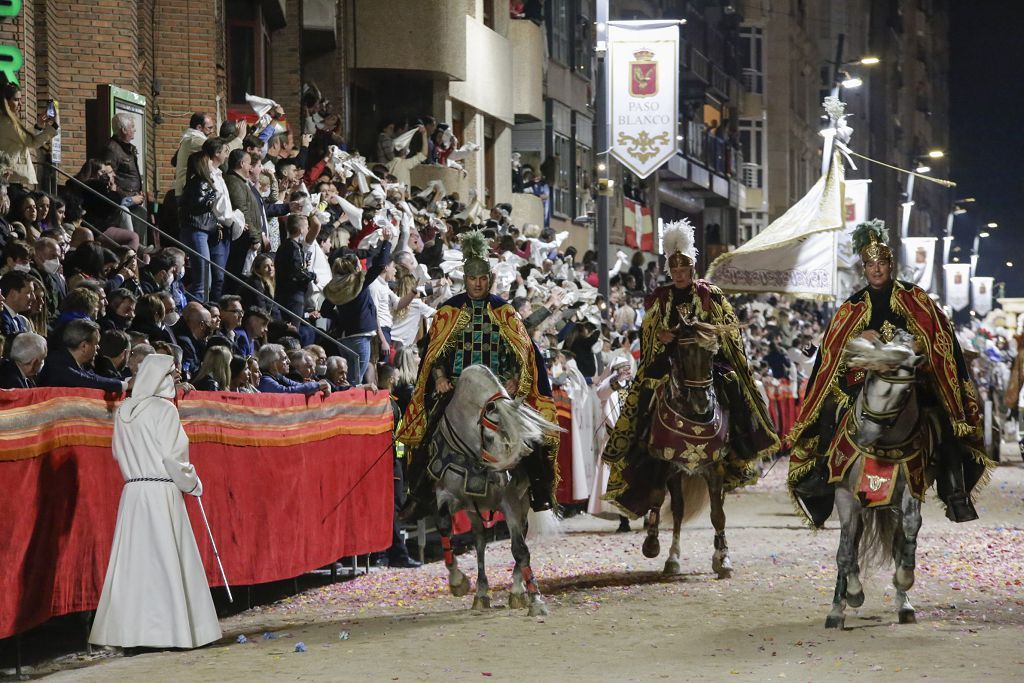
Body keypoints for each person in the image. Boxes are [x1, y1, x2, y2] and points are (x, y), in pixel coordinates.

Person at [786, 220, 992, 526]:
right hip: (862, 379)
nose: (876, 269)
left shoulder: (915, 298)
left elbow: (940, 339)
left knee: (943, 415)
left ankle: (954, 490)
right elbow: (833, 353)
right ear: (864, 269)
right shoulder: (851, 306)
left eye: (881, 263)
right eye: (870, 264)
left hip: (911, 375)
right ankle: (821, 475)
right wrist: (859, 341)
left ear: (890, 265)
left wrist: (915, 344)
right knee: (830, 406)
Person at [601, 219, 779, 518]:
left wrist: (707, 336)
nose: (680, 275)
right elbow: (649, 332)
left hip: (708, 360)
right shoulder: (661, 298)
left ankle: (741, 441)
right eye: (675, 271)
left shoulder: (711, 295)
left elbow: (730, 332)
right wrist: (661, 337)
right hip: (670, 360)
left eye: (684, 271)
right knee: (646, 390)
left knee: (733, 382)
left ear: (693, 270)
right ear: (670, 272)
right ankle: (638, 442)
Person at [397, 230, 559, 519]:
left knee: (531, 437)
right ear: (465, 279)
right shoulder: (449, 310)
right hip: (458, 387)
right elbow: (435, 352)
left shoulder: (505, 311)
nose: (477, 284)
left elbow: (520, 352)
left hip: (498, 391)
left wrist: (513, 378)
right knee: (427, 430)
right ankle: (419, 492)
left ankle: (540, 488)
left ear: (489, 280)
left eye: (483, 279)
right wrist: (439, 377)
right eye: (472, 279)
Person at [89, 353, 222, 650]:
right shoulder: (164, 410)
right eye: (172, 375)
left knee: (134, 564)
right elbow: (174, 458)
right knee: (163, 560)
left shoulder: (124, 411)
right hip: (161, 492)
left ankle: (130, 634)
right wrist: (193, 483)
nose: (176, 380)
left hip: (134, 493)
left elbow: (116, 453)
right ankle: (169, 632)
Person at [0, 81, 59, 188]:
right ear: (5, 102)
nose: (20, 104)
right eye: (16, 100)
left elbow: (23, 138)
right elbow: (31, 142)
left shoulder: (6, 121)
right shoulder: (7, 122)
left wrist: (39, 126)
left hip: (11, 178)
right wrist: (54, 127)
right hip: (11, 179)